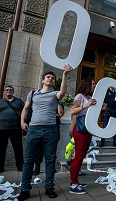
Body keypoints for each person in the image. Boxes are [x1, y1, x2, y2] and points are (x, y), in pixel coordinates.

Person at [18, 65, 73, 200]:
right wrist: (22, 121)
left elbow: (63, 91)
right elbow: (25, 108)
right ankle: (25, 189)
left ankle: (49, 187)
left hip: (50, 130)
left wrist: (65, 75)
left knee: (50, 160)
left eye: (53, 78)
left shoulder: (55, 94)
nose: (50, 79)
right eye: (48, 77)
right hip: (33, 130)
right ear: (43, 80)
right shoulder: (33, 93)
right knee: (28, 161)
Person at [69, 78, 96, 194]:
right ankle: (74, 185)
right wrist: (86, 105)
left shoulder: (90, 98)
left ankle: (75, 180)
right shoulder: (80, 96)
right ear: (87, 84)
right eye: (93, 83)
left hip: (88, 129)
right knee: (78, 155)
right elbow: (72, 111)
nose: (95, 86)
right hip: (80, 128)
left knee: (82, 155)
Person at [33, 103, 64, 175]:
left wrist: (58, 103)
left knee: (51, 150)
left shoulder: (58, 103)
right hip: (41, 128)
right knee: (39, 150)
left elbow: (60, 114)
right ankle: (37, 168)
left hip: (53, 129)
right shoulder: (42, 102)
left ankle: (51, 168)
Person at [0, 85, 24, 173]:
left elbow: (25, 112)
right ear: (4, 92)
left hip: (15, 128)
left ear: (13, 92)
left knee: (18, 148)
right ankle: (0, 167)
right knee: (1, 148)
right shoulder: (1, 102)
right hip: (2, 128)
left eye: (10, 90)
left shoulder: (19, 101)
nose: (8, 91)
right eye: (6, 90)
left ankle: (20, 166)